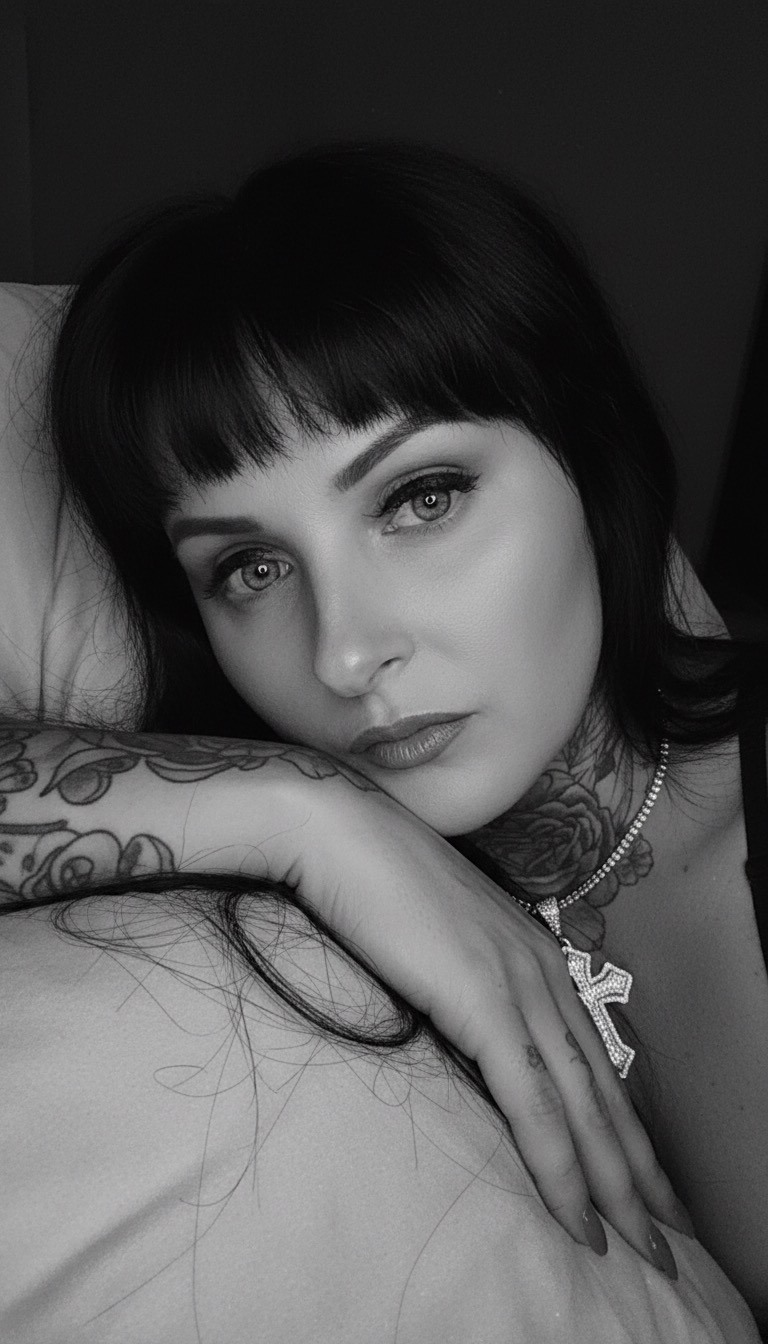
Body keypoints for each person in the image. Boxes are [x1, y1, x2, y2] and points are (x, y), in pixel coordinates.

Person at [0, 141, 765, 1340]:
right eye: (251, 567)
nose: (346, 655)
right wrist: (298, 812)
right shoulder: (288, 848)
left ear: (589, 451)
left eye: (421, 498)